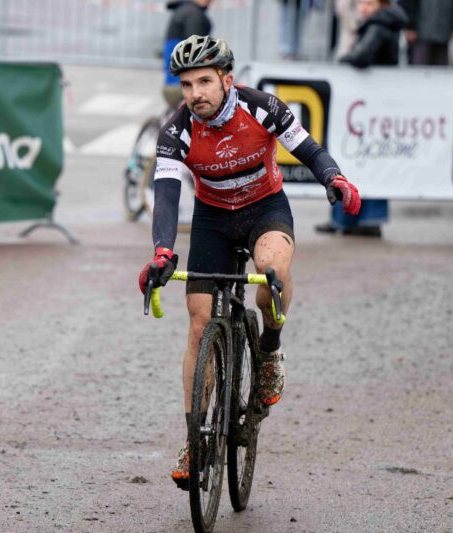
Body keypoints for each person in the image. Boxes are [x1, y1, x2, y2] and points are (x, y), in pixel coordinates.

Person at [138, 35, 361, 489]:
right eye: (186, 85)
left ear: (227, 79)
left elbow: (309, 150)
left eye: (204, 81)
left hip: (265, 209)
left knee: (272, 273)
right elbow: (166, 195)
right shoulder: (177, 131)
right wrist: (162, 250)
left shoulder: (262, 108)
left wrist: (334, 178)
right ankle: (195, 439)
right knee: (199, 323)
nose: (195, 94)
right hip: (213, 220)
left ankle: (270, 350)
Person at [316, 0, 406, 237]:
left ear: (382, 5)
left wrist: (343, 63)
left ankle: (352, 219)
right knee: (370, 160)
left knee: (357, 159)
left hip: (368, 108)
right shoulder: (384, 24)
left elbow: (361, 56)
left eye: (369, 3)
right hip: (373, 107)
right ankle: (356, 218)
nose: (364, 8)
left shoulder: (379, 25)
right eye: (362, 3)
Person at [163, 0, 213, 107]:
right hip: (184, 86)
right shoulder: (193, 15)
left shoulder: (183, 11)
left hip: (173, 83)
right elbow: (196, 51)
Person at [400, 0, 453, 66]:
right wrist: (410, 27)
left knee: (441, 68)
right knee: (419, 66)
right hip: (420, 35)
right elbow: (408, 4)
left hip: (443, 34)